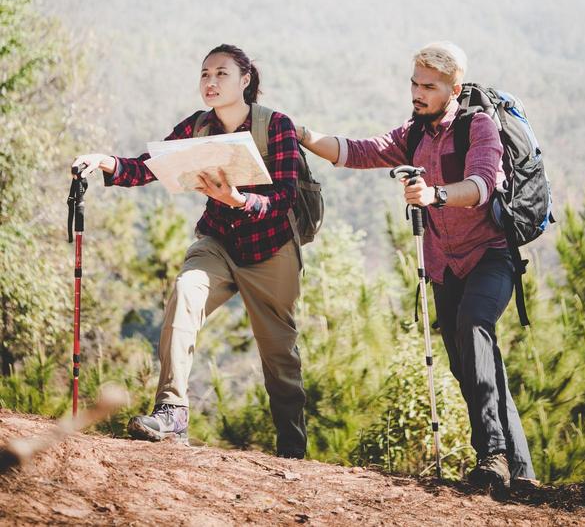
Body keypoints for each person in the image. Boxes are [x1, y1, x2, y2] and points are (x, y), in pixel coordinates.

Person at [296, 40, 536, 488]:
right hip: (444, 265)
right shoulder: (414, 133)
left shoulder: (478, 126)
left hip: (490, 256)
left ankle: (494, 457)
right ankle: (520, 472)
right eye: (414, 82)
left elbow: (483, 184)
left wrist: (435, 194)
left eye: (429, 86)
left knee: (473, 326)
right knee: (468, 362)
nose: (417, 92)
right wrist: (306, 136)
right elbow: (359, 151)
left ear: (453, 87)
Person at [72, 43, 306, 458]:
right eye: (204, 74)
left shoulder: (277, 126)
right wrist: (107, 162)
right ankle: (172, 412)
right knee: (184, 292)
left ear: (245, 80)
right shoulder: (198, 126)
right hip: (217, 240)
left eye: (221, 73)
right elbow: (148, 166)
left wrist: (239, 200)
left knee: (279, 352)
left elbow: (284, 199)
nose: (210, 82)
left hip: (271, 248)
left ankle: (292, 444)